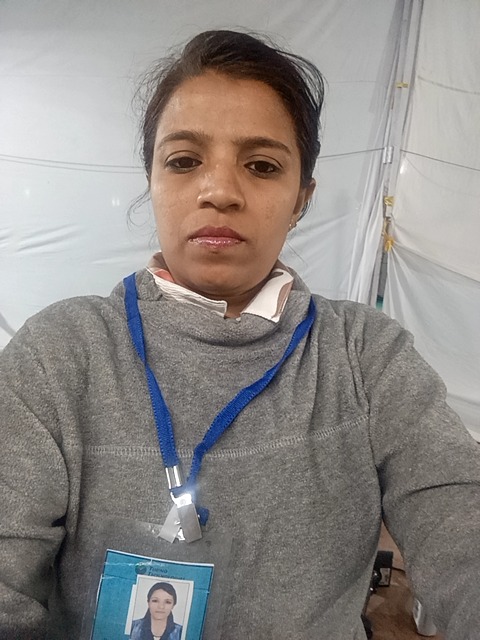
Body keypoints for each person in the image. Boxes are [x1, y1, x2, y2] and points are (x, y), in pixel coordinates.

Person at [0, 29, 480, 640]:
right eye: (184, 161)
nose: (220, 191)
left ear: (301, 198)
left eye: (261, 166)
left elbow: (458, 513)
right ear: (151, 181)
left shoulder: (367, 357)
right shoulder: (59, 356)